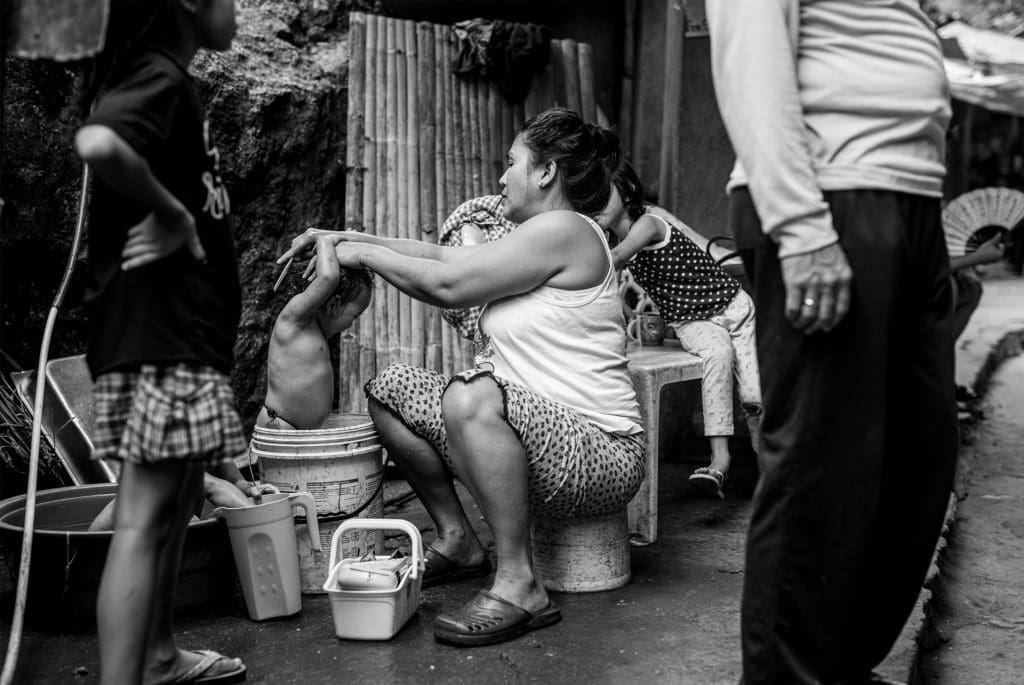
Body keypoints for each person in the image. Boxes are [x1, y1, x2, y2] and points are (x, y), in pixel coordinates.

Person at [280, 107, 644, 647]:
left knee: (470, 395)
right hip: (533, 435)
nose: (502, 177)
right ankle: (458, 540)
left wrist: (360, 255)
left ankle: (520, 584)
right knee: (393, 389)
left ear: (545, 173)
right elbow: (440, 255)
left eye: (512, 162)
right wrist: (343, 235)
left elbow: (448, 284)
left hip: (600, 452)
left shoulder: (566, 230)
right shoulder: (536, 235)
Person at [707, 2, 959, 683]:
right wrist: (802, 224)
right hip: (829, 197)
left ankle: (836, 664)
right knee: (821, 464)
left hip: (910, 197)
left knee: (915, 460)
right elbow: (750, 53)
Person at [74, 0, 247, 682]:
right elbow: (98, 142)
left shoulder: (174, 81)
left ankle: (160, 654)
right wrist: (174, 214)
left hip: (182, 337)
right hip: (159, 337)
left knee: (177, 502)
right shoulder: (157, 77)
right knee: (145, 515)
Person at [597, 160, 761, 498]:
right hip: (693, 322)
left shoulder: (649, 223)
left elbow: (616, 258)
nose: (593, 200)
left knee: (755, 399)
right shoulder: (611, 238)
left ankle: (775, 474)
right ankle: (719, 460)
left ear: (626, 193)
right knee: (717, 354)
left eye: (601, 192)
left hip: (734, 308)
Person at [259, 234, 373, 429]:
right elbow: (329, 277)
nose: (353, 323)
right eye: (355, 315)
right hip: (280, 428)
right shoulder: (295, 318)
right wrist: (324, 240)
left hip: (305, 435)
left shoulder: (320, 331)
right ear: (335, 304)